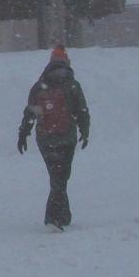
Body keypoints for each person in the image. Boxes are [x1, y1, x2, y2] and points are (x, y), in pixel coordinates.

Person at [17, 45, 90, 229]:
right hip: (67, 138)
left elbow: (31, 113)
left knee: (56, 176)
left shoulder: (39, 85)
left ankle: (62, 215)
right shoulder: (72, 85)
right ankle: (54, 218)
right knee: (61, 177)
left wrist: (23, 134)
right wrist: (85, 131)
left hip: (46, 139)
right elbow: (82, 111)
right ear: (67, 63)